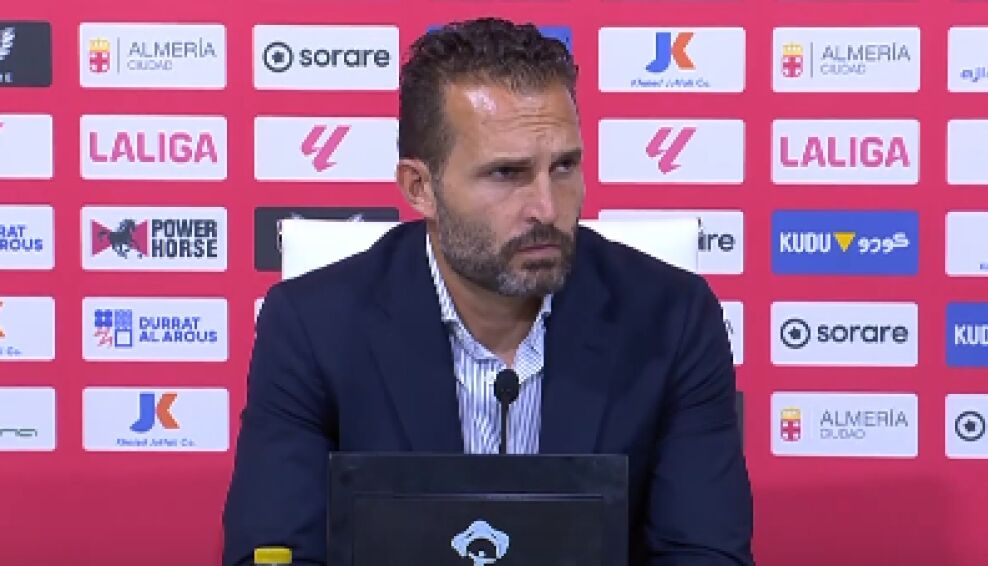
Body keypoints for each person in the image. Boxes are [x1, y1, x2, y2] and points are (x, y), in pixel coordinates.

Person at [223, 17, 753, 565]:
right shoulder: (313, 327)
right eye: (507, 173)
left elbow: (705, 553)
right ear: (420, 187)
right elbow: (275, 549)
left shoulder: (672, 320)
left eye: (564, 167)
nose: (546, 208)